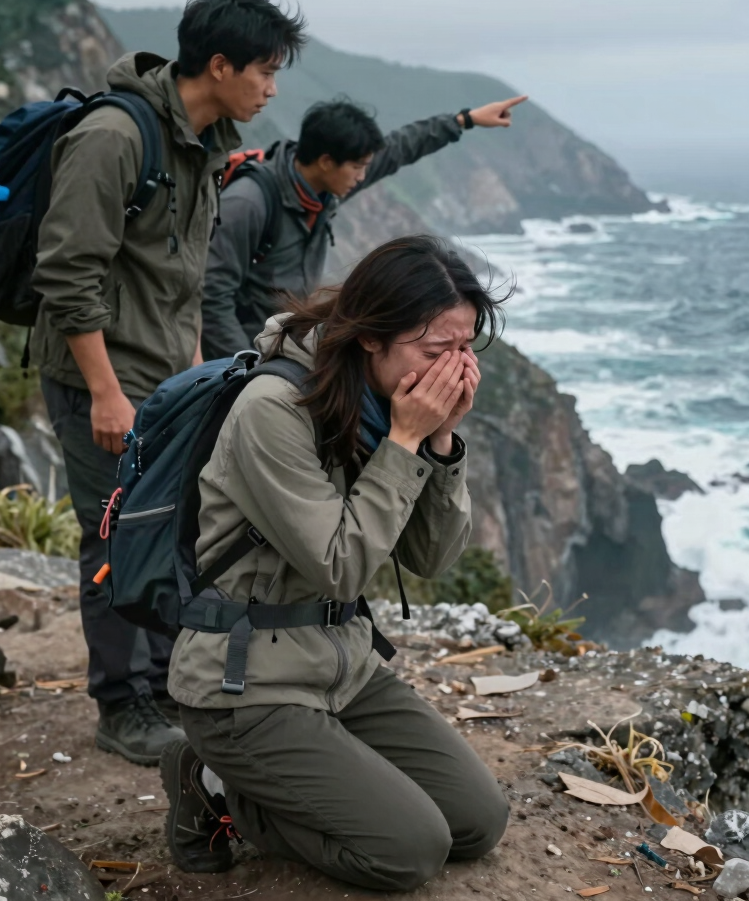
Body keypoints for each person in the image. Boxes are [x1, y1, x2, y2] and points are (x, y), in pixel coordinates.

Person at [162, 235, 511, 888]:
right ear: (372, 336)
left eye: (466, 349)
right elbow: (341, 566)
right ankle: (212, 785)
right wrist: (405, 441)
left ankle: (299, 773)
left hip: (340, 664)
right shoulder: (273, 410)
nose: (454, 368)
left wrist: (438, 441)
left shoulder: (382, 402)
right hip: (246, 684)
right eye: (438, 351)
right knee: (410, 850)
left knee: (477, 821)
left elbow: (431, 558)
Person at [32, 0, 308, 766]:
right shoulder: (116, 136)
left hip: (161, 379)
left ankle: (161, 685)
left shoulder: (204, 141)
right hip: (100, 378)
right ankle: (122, 706)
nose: (272, 87)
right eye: (264, 69)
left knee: (165, 528)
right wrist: (105, 392)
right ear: (218, 65)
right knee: (114, 535)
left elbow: (181, 273)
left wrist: (191, 373)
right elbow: (67, 272)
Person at [199, 94, 527, 360]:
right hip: (243, 354)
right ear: (327, 161)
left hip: (283, 343)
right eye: (356, 168)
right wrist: (243, 364)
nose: (361, 176)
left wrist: (463, 120)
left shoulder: (322, 185)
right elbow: (212, 293)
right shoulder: (249, 203)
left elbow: (398, 149)